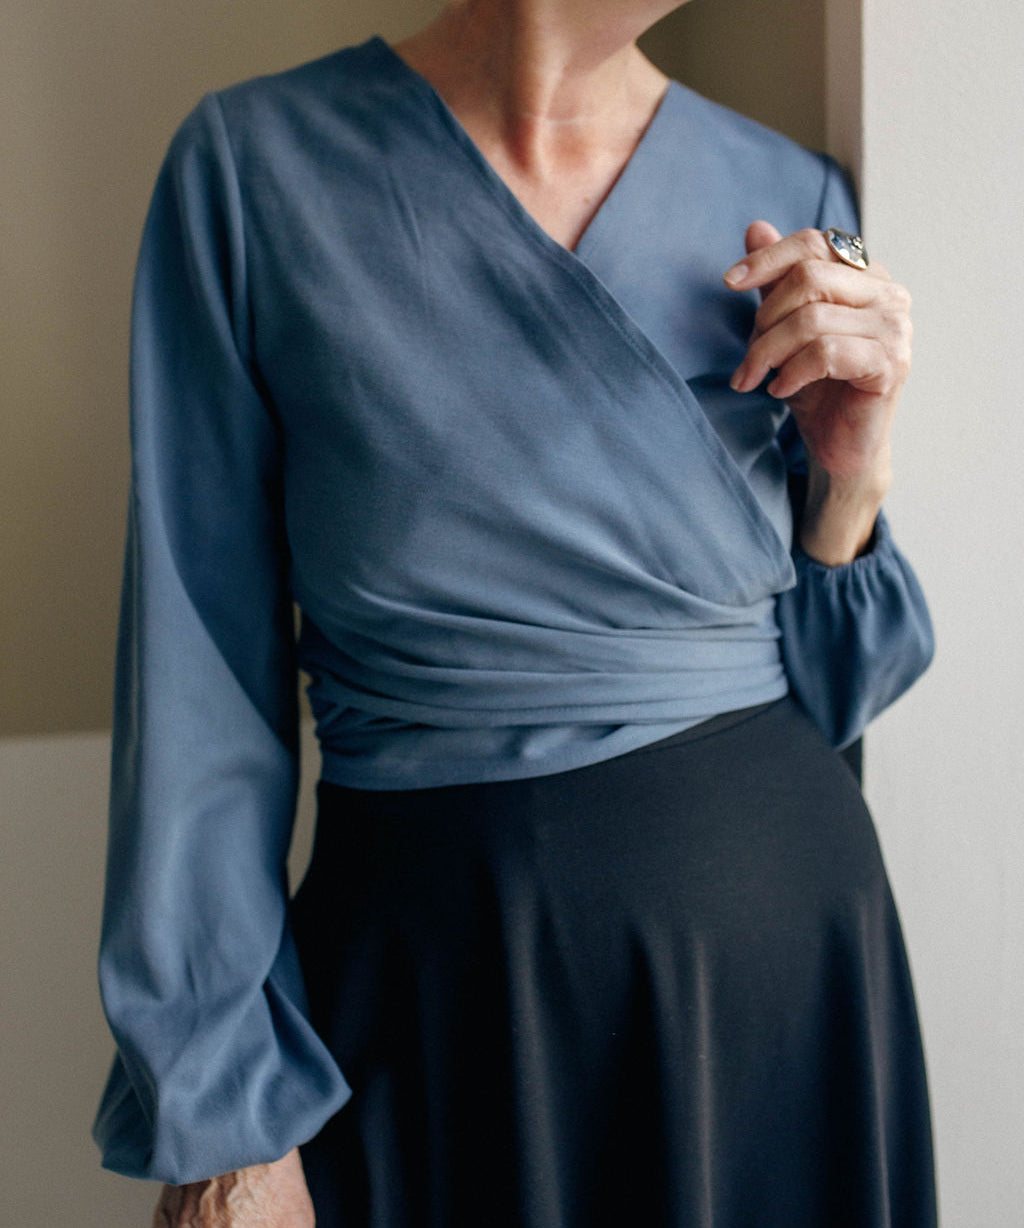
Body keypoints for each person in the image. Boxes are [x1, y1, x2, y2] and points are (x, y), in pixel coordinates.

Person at [93, 0, 938, 1223]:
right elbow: (195, 666)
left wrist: (848, 478)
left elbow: (839, 690)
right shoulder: (253, 171)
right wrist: (224, 1125)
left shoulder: (784, 192)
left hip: (781, 984)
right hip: (439, 992)